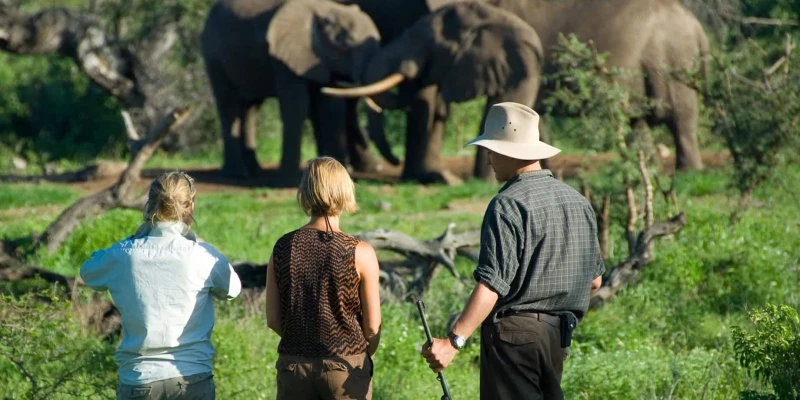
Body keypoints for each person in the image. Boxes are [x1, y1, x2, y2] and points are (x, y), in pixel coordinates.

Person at [421, 102, 605, 400]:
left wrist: (453, 341)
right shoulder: (578, 201)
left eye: (491, 150)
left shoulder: (507, 204)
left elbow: (492, 284)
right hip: (557, 337)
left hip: (514, 337)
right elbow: (594, 281)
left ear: (509, 152)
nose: (489, 158)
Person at [80, 171, 242, 400]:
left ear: (150, 204)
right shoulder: (201, 256)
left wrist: (131, 240)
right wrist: (201, 243)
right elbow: (232, 289)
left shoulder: (125, 253)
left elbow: (89, 272)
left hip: (139, 378)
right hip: (191, 377)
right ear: (191, 206)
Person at [266, 156, 382, 400]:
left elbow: (273, 319)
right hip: (344, 366)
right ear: (345, 191)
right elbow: (372, 327)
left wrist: (304, 344)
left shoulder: (282, 247)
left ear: (305, 192)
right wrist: (361, 357)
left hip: (293, 368)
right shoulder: (359, 251)